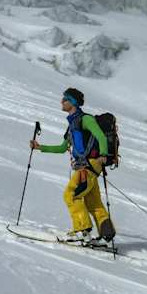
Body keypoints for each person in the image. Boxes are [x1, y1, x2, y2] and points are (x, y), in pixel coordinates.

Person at [30, 88, 116, 243]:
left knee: (70, 194)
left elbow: (101, 136)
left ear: (73, 102)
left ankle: (82, 231)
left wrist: (103, 154)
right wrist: (40, 147)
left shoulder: (86, 119)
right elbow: (62, 148)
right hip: (88, 166)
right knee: (93, 202)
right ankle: (105, 235)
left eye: (65, 99)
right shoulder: (72, 125)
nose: (61, 101)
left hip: (88, 165)